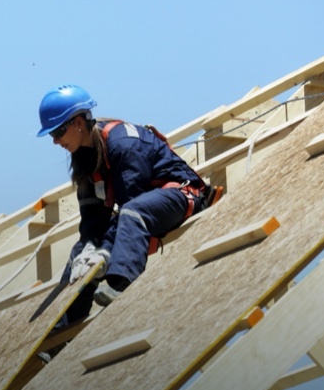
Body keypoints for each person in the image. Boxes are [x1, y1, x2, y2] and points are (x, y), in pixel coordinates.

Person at [36, 84, 217, 325]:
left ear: (78, 122)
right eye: (51, 135)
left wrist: (105, 251)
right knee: (80, 252)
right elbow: (93, 218)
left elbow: (132, 203)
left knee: (131, 214)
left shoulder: (122, 143)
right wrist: (91, 249)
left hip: (182, 196)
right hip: (142, 207)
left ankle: (121, 282)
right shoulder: (85, 159)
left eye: (58, 132)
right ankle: (60, 328)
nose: (56, 141)